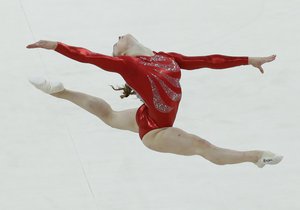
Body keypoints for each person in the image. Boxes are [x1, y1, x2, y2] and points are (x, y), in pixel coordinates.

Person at [26, 34, 283, 168]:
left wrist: (248, 60)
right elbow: (90, 57)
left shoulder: (165, 57)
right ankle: (256, 157)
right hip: (156, 132)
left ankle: (59, 92)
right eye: (116, 43)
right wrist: (56, 45)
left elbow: (207, 60)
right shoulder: (129, 64)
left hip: (148, 115)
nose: (118, 38)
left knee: (111, 117)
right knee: (203, 146)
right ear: (122, 53)